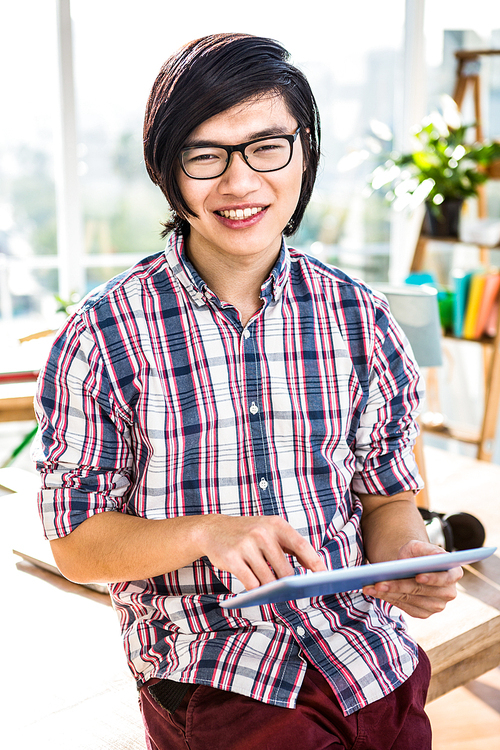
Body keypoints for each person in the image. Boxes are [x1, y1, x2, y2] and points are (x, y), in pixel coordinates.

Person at [33, 33, 462, 750]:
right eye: (206, 155)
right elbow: (76, 544)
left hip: (371, 658)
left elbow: (385, 496)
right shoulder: (104, 334)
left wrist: (407, 558)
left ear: (305, 152)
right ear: (167, 170)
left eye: (268, 146)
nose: (240, 183)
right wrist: (207, 532)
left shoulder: (361, 319)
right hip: (216, 672)